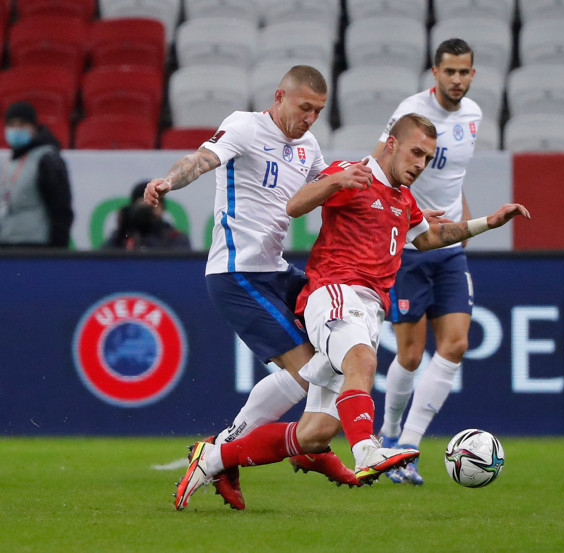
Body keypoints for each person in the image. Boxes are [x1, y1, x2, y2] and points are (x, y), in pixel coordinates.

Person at [173, 113, 530, 509]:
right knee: (362, 359)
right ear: (391, 144)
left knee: (314, 434)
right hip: (337, 291)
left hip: (370, 308)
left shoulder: (402, 199)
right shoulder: (352, 173)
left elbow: (429, 238)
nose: (420, 164)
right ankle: (368, 451)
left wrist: (487, 223)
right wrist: (333, 181)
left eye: (428, 158)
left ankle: (215, 456)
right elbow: (295, 206)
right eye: (415, 152)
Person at [144, 65, 373, 511]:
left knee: (335, 350)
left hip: (277, 269)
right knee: (308, 369)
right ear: (279, 96)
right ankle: (225, 452)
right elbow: (200, 159)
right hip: (236, 272)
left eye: (318, 111)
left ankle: (238, 452)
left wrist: (408, 213)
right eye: (304, 107)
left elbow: (334, 190)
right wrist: (169, 181)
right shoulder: (245, 126)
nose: (310, 118)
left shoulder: (308, 146)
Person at [371, 38, 482, 485]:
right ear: (434, 73)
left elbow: (455, 179)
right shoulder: (410, 112)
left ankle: (408, 447)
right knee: (411, 355)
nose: (457, 79)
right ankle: (389, 434)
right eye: (449, 71)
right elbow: (380, 162)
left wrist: (465, 220)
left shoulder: (473, 116)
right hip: (414, 244)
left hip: (450, 245)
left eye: (464, 72)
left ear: (473, 75)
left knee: (455, 345)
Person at [0, 101, 73, 248]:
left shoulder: (47, 159)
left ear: (34, 127)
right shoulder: (9, 160)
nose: (16, 129)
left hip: (35, 245)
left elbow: (60, 207)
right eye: (11, 124)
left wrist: (58, 250)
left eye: (22, 124)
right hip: (6, 242)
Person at [104, 181, 191, 250]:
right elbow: (104, 262)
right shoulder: (123, 237)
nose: (147, 212)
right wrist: (122, 230)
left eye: (154, 204)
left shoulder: (174, 238)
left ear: (162, 208)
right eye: (143, 207)